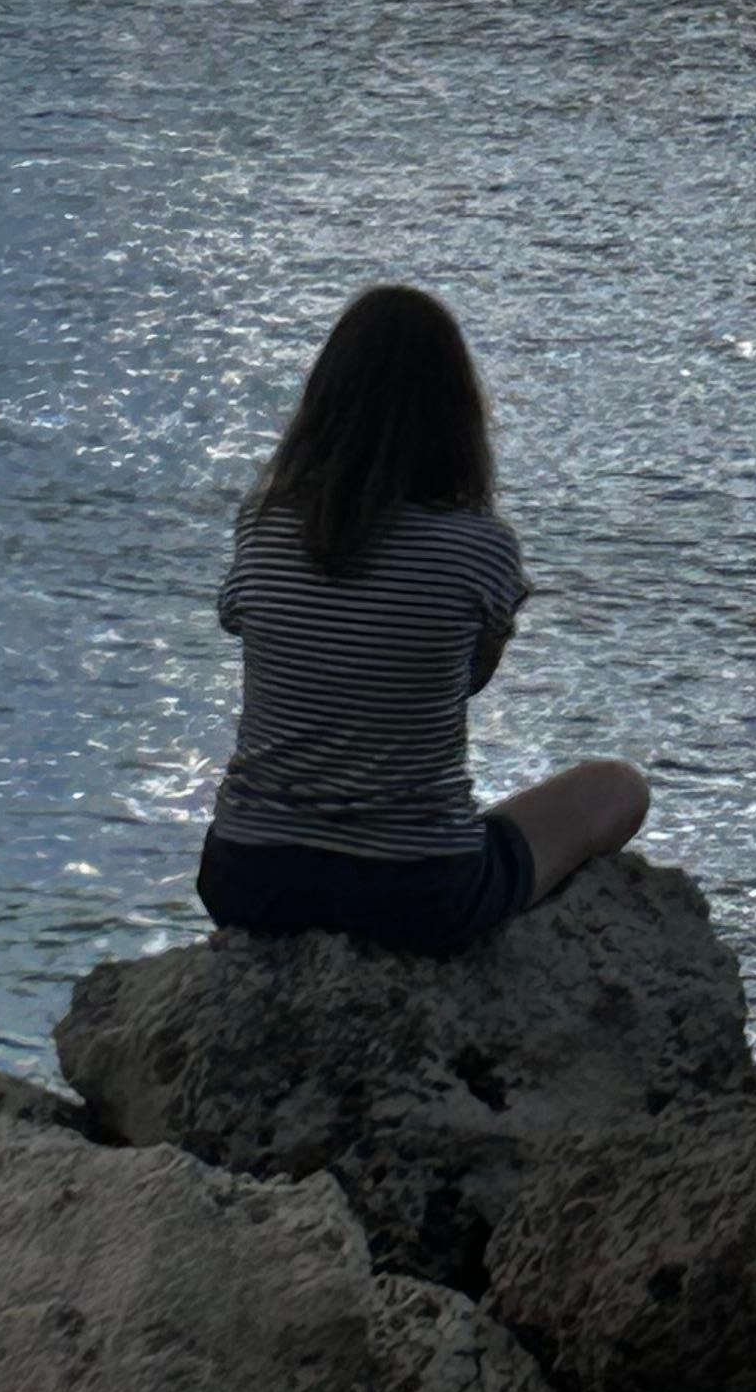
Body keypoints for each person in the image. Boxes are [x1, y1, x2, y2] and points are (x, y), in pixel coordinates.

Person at [199, 284, 649, 955]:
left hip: (249, 876)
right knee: (619, 787)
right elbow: (467, 679)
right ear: (456, 415)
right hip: (414, 893)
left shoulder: (263, 526)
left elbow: (247, 627)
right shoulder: (480, 547)